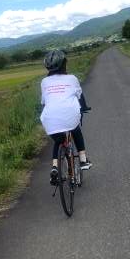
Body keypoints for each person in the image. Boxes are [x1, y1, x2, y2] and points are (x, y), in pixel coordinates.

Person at [40, 49, 92, 185]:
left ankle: (55, 167)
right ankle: (83, 160)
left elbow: (45, 101)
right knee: (76, 130)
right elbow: (80, 97)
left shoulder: (44, 82)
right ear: (64, 64)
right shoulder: (72, 78)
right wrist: (84, 108)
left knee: (59, 140)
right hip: (70, 115)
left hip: (49, 118)